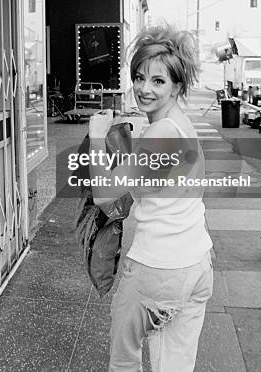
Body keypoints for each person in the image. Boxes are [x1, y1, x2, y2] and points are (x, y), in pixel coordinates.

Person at [88, 24, 213, 372]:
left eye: (158, 81)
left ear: (177, 86)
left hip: (158, 272)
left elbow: (104, 194)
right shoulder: (181, 125)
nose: (144, 89)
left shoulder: (161, 133)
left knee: (124, 361)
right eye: (140, 77)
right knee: (173, 365)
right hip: (197, 265)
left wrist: (98, 138)